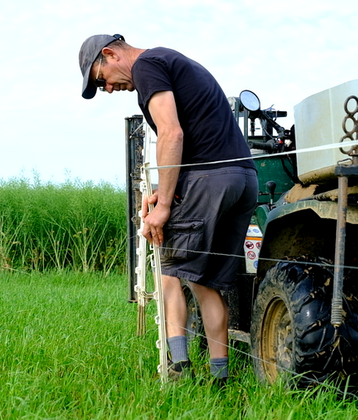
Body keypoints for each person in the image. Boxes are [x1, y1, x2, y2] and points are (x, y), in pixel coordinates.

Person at [78, 34, 257, 382]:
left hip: (209, 180)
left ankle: (178, 369)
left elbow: (172, 135)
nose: (110, 90)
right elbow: (196, 138)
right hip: (242, 178)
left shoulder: (146, 65)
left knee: (170, 270)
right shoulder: (171, 61)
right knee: (207, 283)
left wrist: (160, 212)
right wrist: (163, 193)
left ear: (110, 54)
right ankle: (219, 378)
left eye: (102, 80)